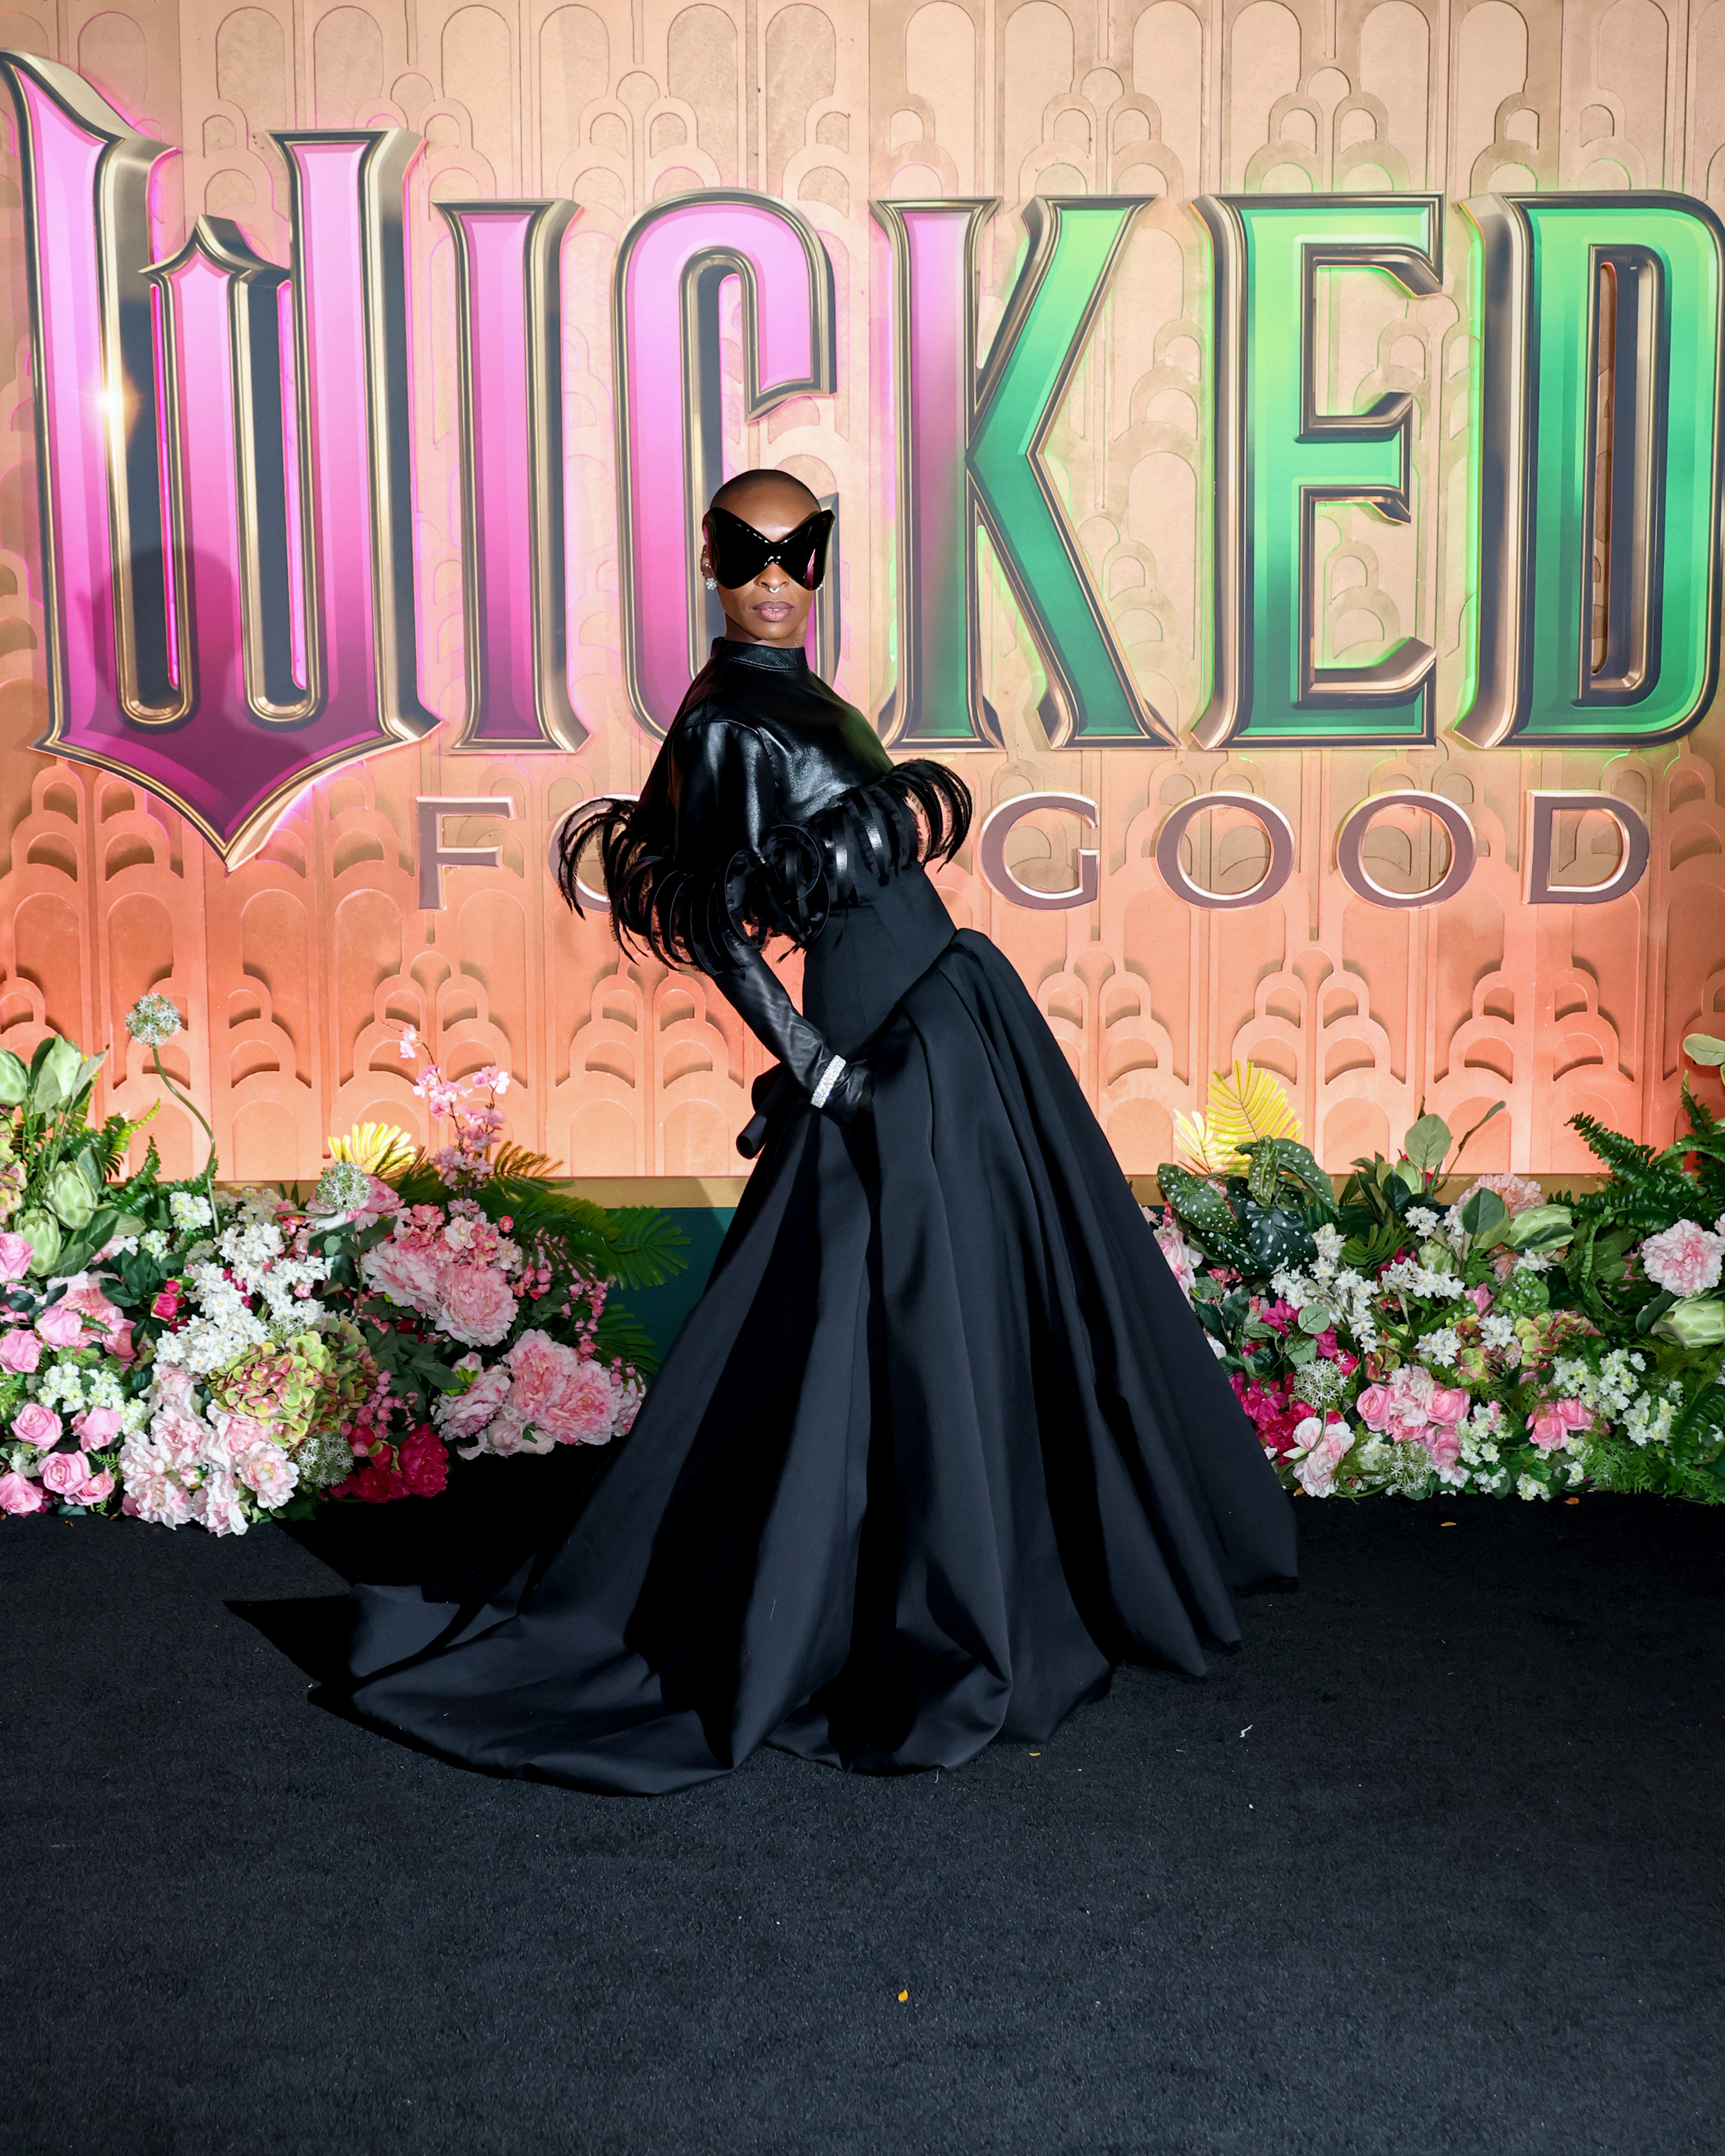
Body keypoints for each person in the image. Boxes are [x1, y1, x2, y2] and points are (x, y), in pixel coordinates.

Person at [344, 468, 1296, 1793]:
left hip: (947, 1018)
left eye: (802, 554)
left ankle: (955, 1573)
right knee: (884, 1318)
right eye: (749, 554)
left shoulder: (786, 695)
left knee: (937, 1313)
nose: (777, 580)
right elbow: (716, 924)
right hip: (889, 1048)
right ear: (707, 561)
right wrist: (826, 1072)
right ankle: (901, 1612)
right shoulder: (725, 717)